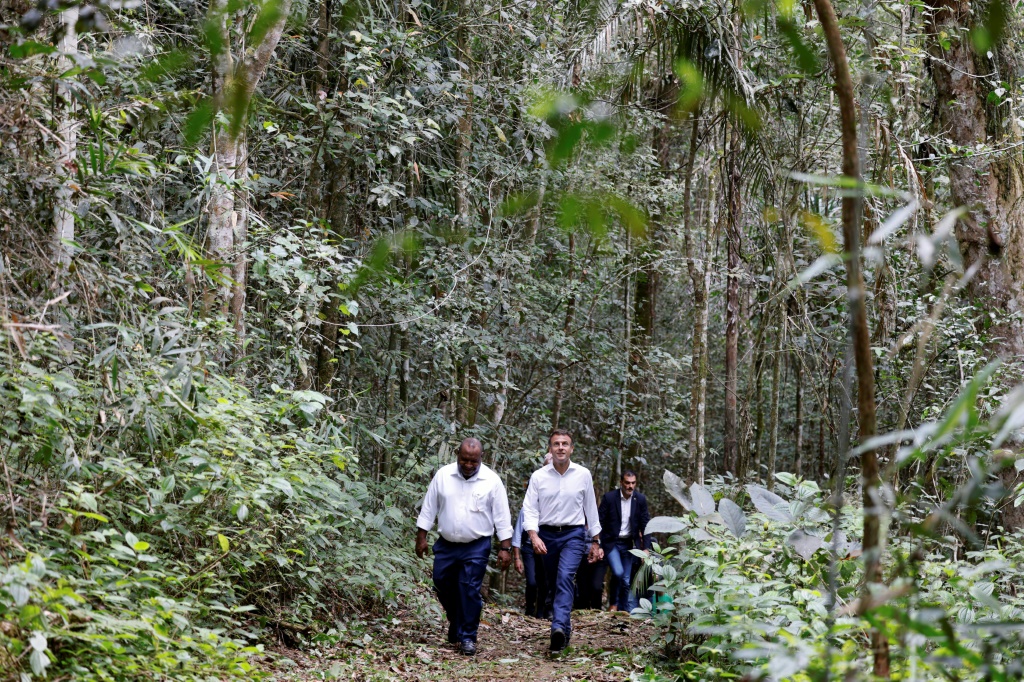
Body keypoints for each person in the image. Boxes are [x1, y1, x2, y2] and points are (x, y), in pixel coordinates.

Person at [415, 438, 513, 656]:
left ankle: (468, 636)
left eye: (473, 461)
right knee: (441, 583)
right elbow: (429, 507)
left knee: (469, 588)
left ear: (481, 459)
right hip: (447, 544)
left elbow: (502, 517)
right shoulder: (443, 476)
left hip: (476, 546)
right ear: (457, 456)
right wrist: (421, 536)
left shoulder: (492, 481)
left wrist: (505, 548)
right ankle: (457, 620)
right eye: (464, 460)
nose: (468, 465)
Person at [522, 428, 603, 653]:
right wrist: (533, 534)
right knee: (551, 582)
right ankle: (564, 630)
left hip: (573, 534)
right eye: (556, 444)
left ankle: (557, 627)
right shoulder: (538, 477)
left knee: (565, 577)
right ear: (550, 449)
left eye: (564, 444)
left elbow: (590, 508)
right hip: (546, 535)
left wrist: (596, 541)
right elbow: (529, 508)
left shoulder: (583, 474)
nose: (560, 448)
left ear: (571, 448)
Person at [598, 469, 650, 613]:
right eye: (627, 483)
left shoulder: (640, 500)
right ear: (621, 483)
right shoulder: (609, 498)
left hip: (628, 543)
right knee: (618, 573)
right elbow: (599, 521)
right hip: (612, 543)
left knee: (626, 580)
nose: (630, 486)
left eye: (633, 483)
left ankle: (623, 610)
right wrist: (598, 543)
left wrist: (645, 548)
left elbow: (646, 524)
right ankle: (613, 604)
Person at [512, 454, 552, 619]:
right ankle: (530, 610)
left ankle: (542, 613)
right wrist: (516, 557)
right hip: (529, 547)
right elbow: (517, 534)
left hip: (548, 547)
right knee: (533, 581)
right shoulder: (528, 505)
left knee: (545, 582)